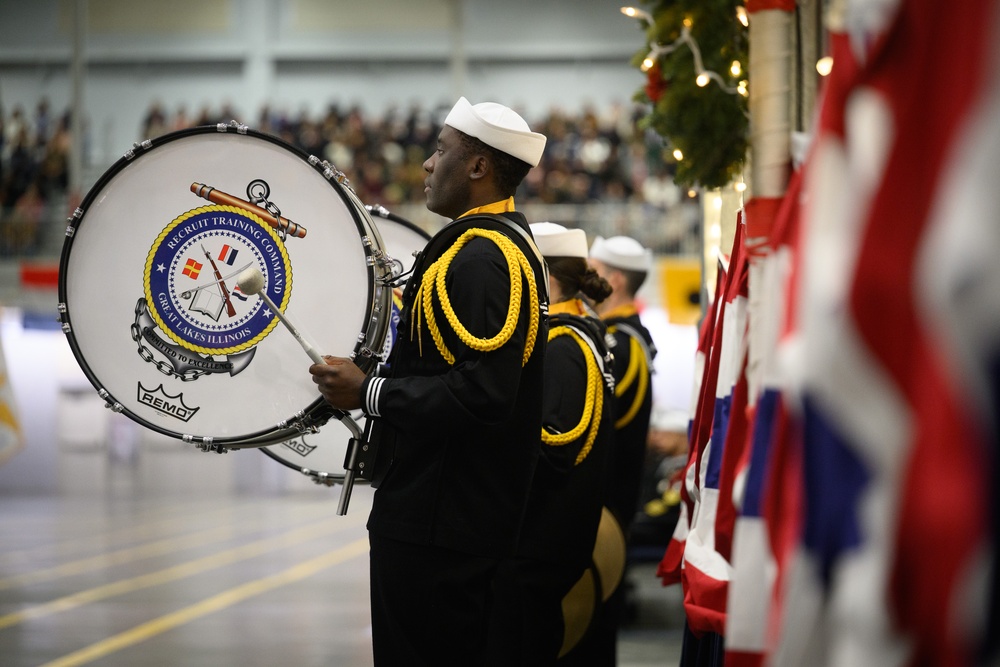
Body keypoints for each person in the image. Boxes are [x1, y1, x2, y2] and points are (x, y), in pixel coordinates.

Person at [309, 97, 548, 666]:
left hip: (441, 528)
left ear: (478, 167)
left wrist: (368, 391)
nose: (427, 164)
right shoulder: (486, 248)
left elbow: (484, 393)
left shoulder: (483, 258)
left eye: (441, 151)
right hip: (444, 521)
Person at [486, 222, 615, 664]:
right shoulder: (576, 335)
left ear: (543, 277)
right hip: (547, 544)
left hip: (538, 545)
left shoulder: (562, 344)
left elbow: (553, 451)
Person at [574, 234, 658, 664]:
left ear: (616, 280)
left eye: (593, 270)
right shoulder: (618, 337)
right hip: (603, 508)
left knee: (590, 633)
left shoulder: (621, 345)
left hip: (602, 513)